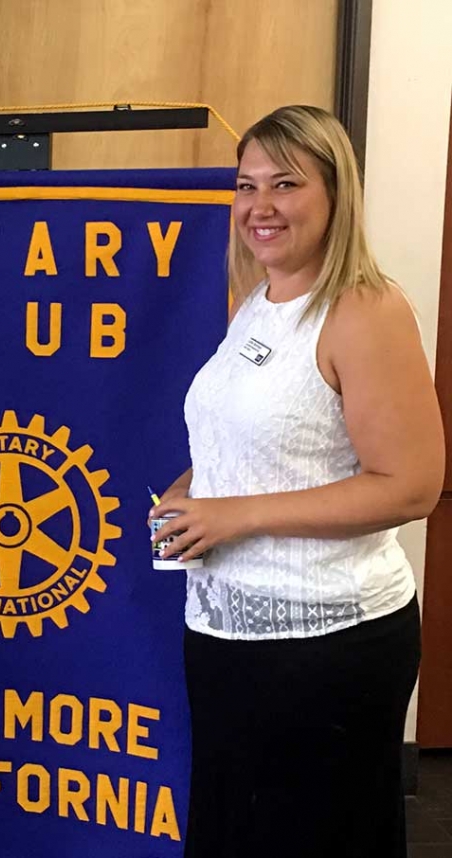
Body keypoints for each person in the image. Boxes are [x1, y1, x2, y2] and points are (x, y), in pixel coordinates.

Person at [151, 105, 444, 858]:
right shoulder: (262, 301)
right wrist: (193, 488)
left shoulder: (365, 309)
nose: (261, 206)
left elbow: (410, 485)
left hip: (326, 646)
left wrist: (236, 513)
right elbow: (255, 434)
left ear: (336, 193)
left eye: (286, 183)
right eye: (247, 185)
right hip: (226, 633)